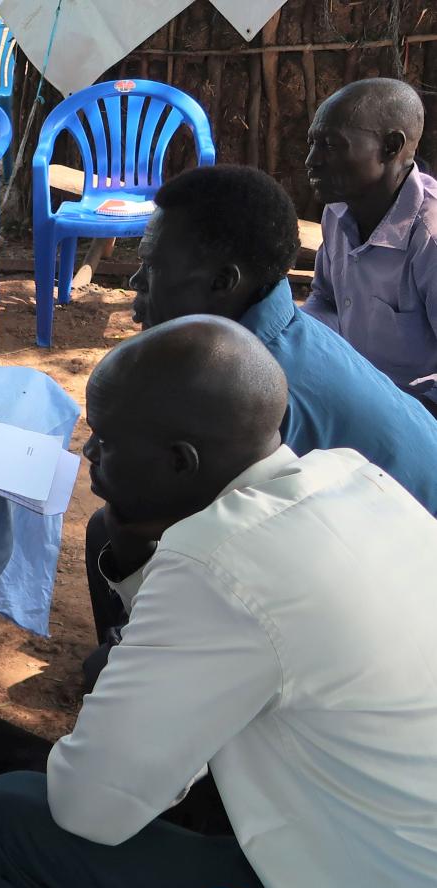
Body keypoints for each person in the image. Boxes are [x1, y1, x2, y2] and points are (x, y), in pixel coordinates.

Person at [0, 315, 437, 888]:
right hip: (400, 848)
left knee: (9, 818)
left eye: (105, 440)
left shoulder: (219, 562)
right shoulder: (351, 476)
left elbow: (88, 808)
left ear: (179, 462)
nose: (88, 453)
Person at [86, 163, 437, 667]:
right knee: (111, 532)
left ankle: (137, 662)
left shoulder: (251, 397)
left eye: (152, 266)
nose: (136, 282)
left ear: (223, 282)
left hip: (404, 606)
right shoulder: (265, 342)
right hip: (363, 558)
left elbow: (224, 561)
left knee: (123, 548)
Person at [303, 78, 437, 417]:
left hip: (415, 420)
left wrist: (387, 418)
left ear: (391, 147)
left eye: (331, 145)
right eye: (312, 143)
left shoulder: (429, 239)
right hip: (357, 400)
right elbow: (325, 298)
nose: (311, 161)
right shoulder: (339, 211)